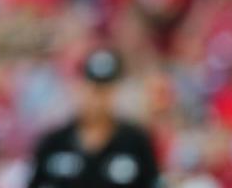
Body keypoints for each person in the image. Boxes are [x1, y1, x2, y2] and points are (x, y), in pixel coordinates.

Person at [28, 49, 160, 188]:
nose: (98, 99)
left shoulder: (135, 142)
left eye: (105, 90)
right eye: (93, 88)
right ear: (78, 87)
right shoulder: (54, 142)